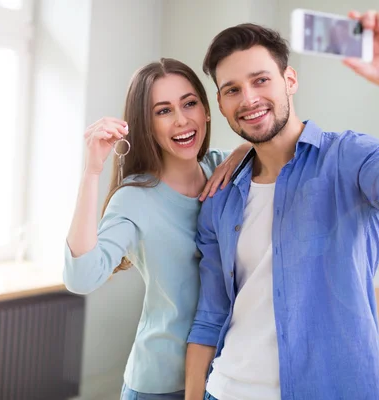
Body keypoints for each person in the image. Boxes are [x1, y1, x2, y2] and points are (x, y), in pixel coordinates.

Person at [185, 9, 379, 400]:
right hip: (226, 390)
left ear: (289, 80)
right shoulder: (220, 197)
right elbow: (211, 316)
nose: (249, 98)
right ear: (221, 104)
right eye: (232, 89)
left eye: (261, 80)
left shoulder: (348, 159)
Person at [63, 58, 251, 400]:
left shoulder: (224, 168)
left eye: (190, 103)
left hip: (227, 377)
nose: (182, 120)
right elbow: (81, 277)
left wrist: (243, 148)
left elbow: (279, 145)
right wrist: (92, 171)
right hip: (160, 382)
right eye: (163, 111)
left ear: (207, 111)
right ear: (146, 125)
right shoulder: (135, 197)